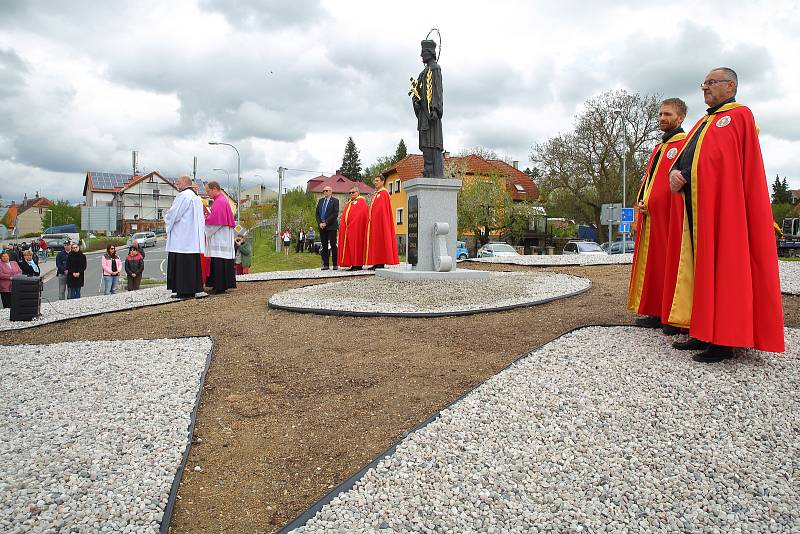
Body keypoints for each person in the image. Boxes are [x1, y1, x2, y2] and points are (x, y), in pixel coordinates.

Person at [666, 67, 784, 362]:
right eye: (704, 83)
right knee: (701, 268)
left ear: (730, 85)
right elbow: (683, 161)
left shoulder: (739, 116)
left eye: (711, 82)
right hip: (697, 209)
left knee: (725, 269)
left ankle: (725, 339)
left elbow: (741, 167)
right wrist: (674, 175)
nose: (704, 87)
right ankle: (703, 330)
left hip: (725, 211)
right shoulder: (702, 123)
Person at [627, 98, 688, 330]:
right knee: (654, 265)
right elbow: (652, 181)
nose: (663, 118)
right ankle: (655, 310)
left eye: (668, 114)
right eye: (661, 114)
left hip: (671, 217)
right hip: (651, 217)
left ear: (680, 117)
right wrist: (643, 201)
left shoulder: (684, 143)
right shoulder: (660, 147)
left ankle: (673, 315)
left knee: (671, 263)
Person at [165, 175, 206, 299]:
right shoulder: (195, 197)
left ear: (184, 183)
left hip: (182, 238)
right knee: (191, 264)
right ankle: (192, 289)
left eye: (178, 183)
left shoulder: (183, 196)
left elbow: (174, 214)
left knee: (182, 265)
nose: (177, 185)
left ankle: (183, 291)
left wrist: (166, 218)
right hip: (192, 238)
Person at [412, 39, 444, 177]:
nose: (420, 55)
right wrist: (416, 101)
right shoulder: (422, 73)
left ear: (430, 53)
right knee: (425, 142)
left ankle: (432, 169)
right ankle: (427, 167)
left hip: (431, 115)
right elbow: (416, 92)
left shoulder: (435, 69)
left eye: (423, 52)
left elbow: (437, 90)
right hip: (423, 114)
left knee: (432, 142)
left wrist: (435, 110)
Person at [204, 181, 237, 294]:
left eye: (208, 191)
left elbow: (215, 222)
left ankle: (220, 286)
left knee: (219, 260)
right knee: (218, 260)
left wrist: (204, 223)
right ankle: (217, 285)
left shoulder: (219, 202)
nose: (207, 193)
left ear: (214, 189)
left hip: (220, 237)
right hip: (222, 236)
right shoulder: (221, 200)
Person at [365, 175, 399, 269]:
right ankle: (376, 262)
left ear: (382, 182)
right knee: (376, 242)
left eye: (377, 181)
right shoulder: (376, 194)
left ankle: (380, 262)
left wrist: (381, 221)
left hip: (380, 222)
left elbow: (383, 210)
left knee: (380, 241)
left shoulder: (383, 193)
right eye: (374, 181)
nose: (375, 182)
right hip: (375, 222)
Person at [337, 186, 369, 271]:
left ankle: (358, 265)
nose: (351, 194)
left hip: (357, 229)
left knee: (357, 246)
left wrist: (352, 225)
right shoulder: (349, 203)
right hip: (348, 229)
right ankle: (352, 263)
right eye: (350, 193)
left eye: (353, 192)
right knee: (350, 247)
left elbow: (361, 216)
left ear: (358, 193)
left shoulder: (361, 202)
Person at [315, 186, 339, 270]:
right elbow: (317, 214)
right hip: (322, 226)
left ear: (331, 191)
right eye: (324, 191)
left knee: (333, 245)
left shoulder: (335, 201)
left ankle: (335, 264)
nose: (325, 192)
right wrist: (320, 223)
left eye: (327, 190)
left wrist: (326, 222)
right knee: (324, 245)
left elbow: (335, 214)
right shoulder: (321, 201)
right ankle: (326, 264)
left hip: (331, 226)